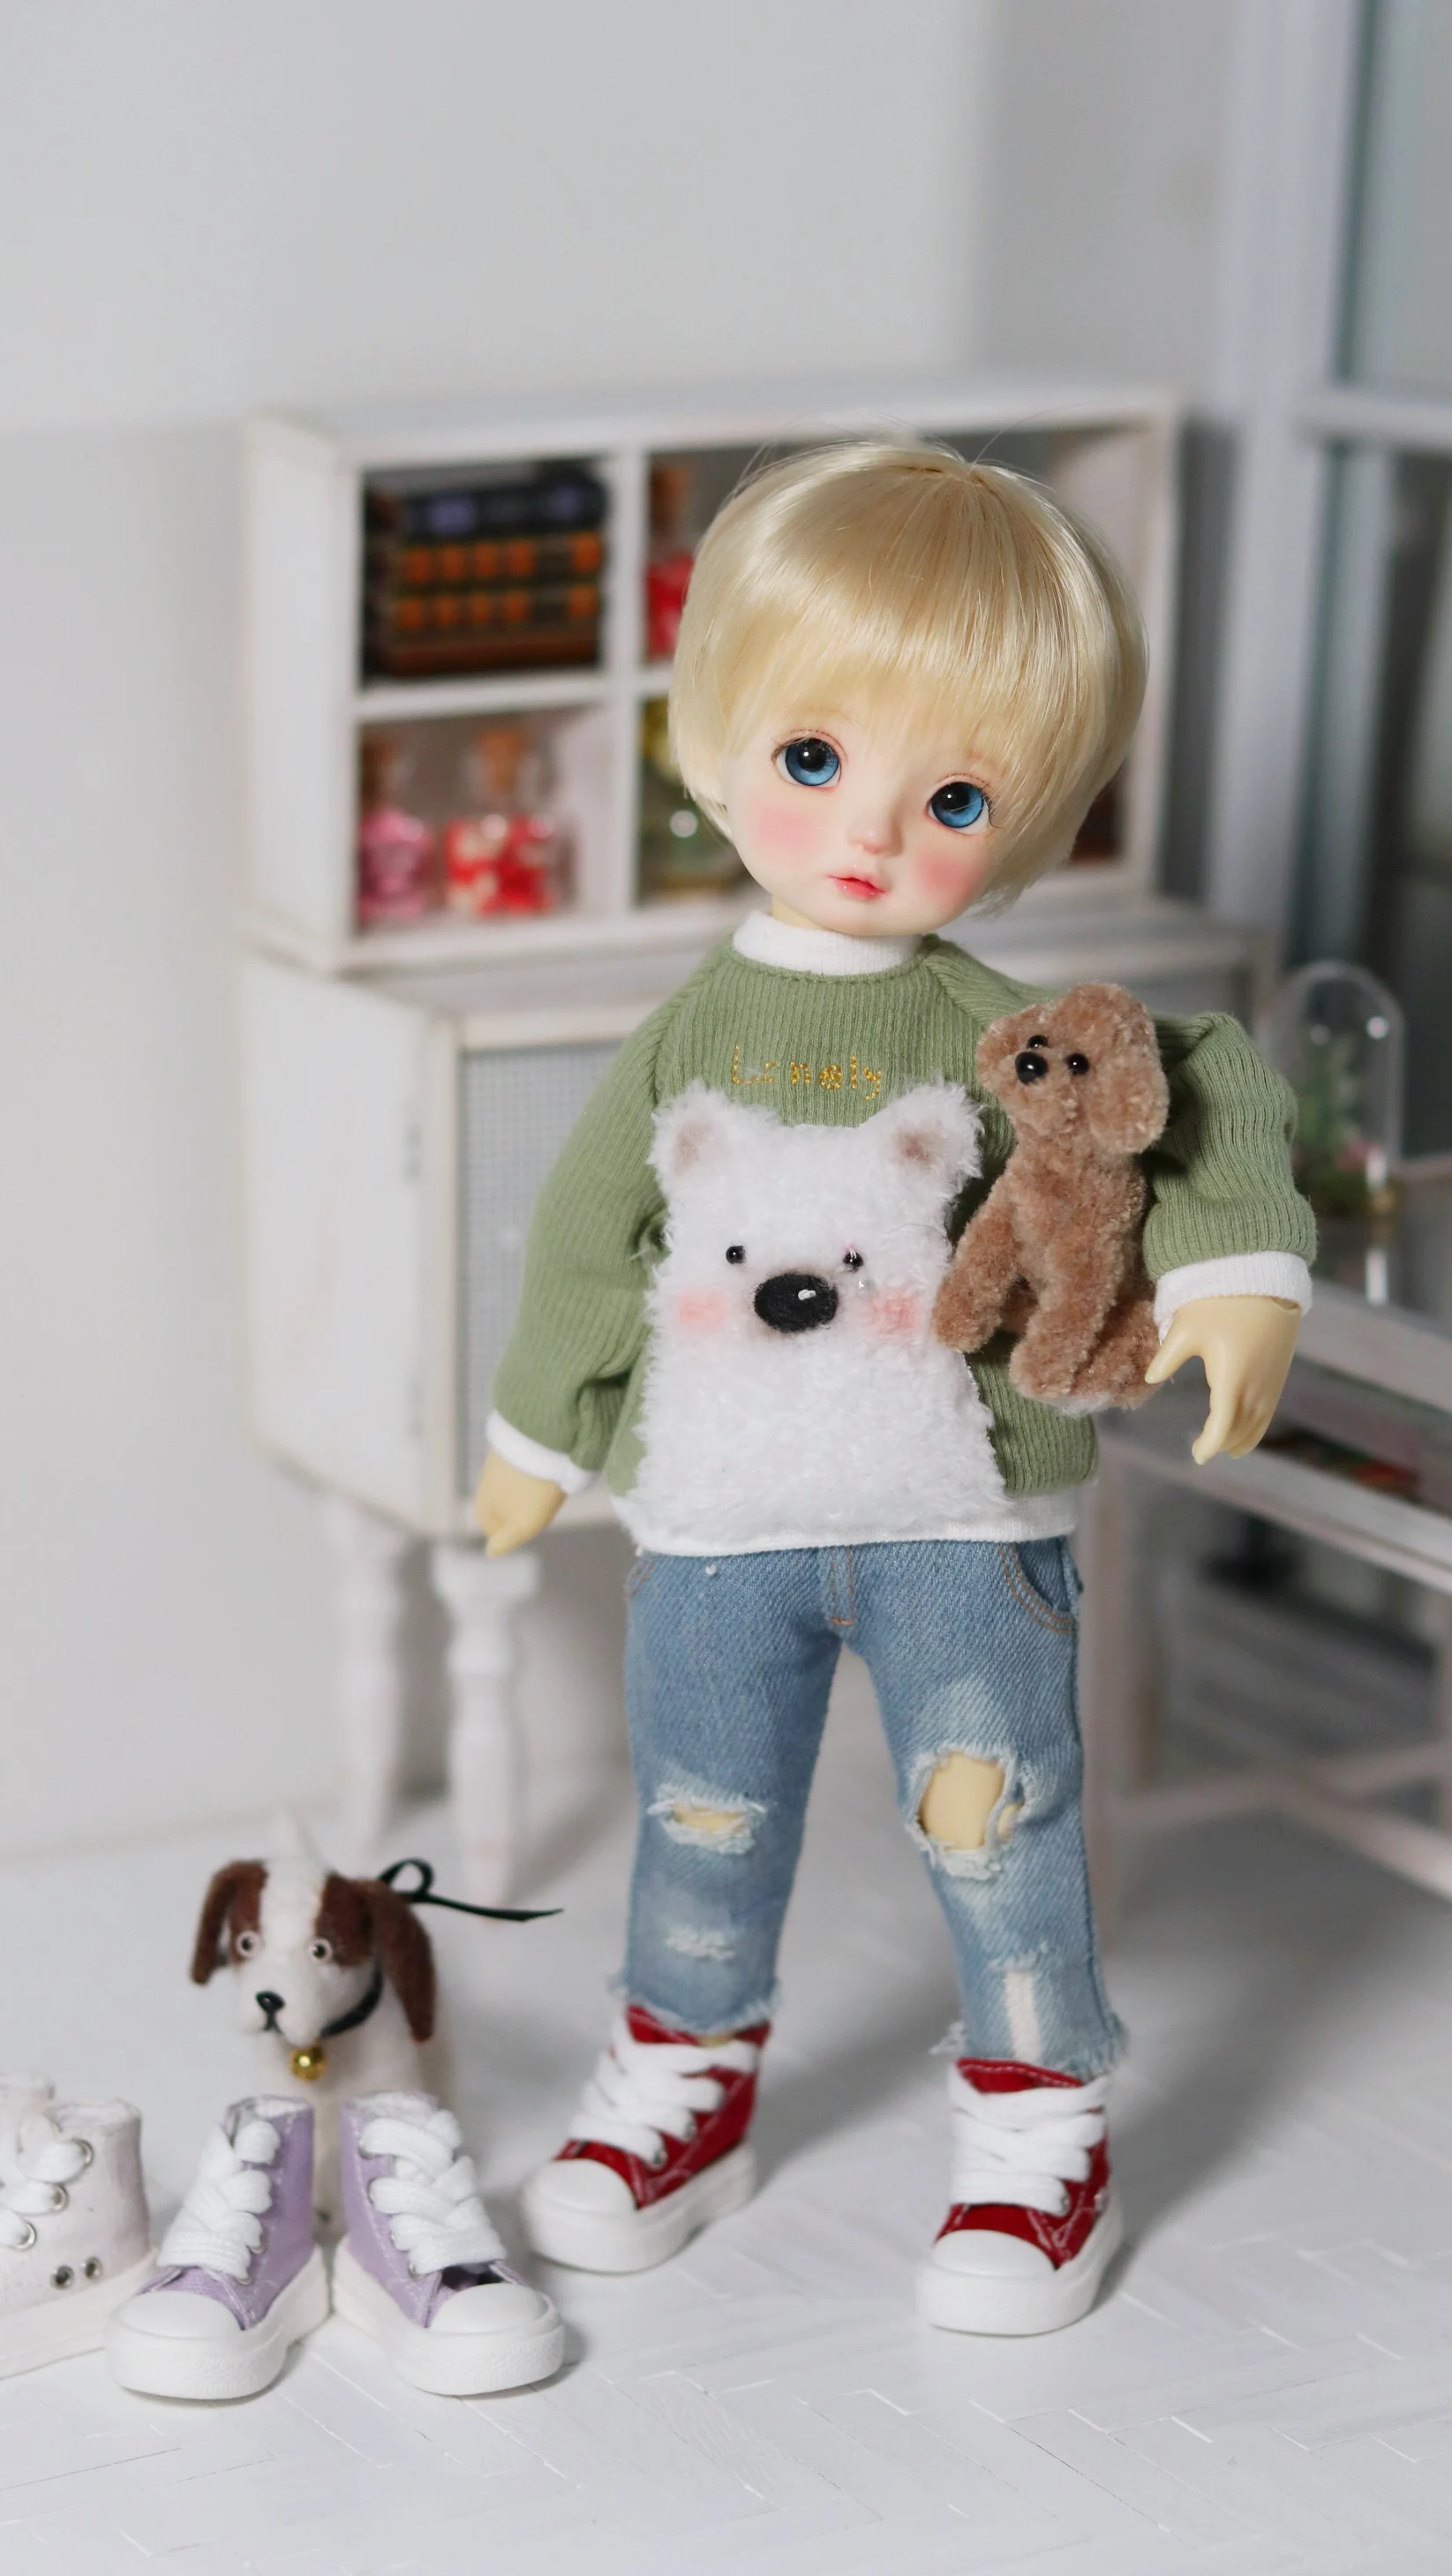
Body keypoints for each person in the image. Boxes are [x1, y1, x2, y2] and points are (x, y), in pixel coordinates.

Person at [473, 441, 1314, 2334]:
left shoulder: (981, 1027)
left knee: (996, 1824)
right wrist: (535, 1434)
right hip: (716, 1525)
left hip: (961, 1523)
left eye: (950, 797)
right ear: (714, 747)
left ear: (1025, 825)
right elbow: (586, 1241)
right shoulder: (689, 1035)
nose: (867, 830)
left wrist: (1237, 1271)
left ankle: (1039, 2125)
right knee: (702, 1814)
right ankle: (684, 2079)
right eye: (811, 757)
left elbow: (1194, 1080)